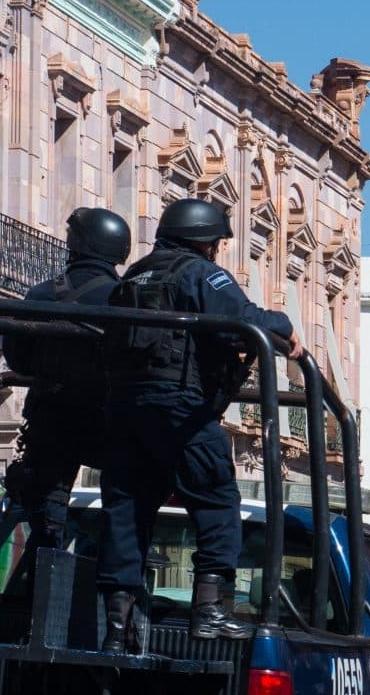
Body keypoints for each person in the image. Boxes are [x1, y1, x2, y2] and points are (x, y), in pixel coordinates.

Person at [98, 197, 304, 650]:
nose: (217, 251)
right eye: (216, 243)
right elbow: (241, 321)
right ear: (204, 241)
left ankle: (116, 624)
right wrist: (283, 325)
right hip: (179, 406)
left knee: (126, 511)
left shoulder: (133, 276)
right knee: (216, 500)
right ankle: (210, 610)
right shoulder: (198, 273)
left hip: (124, 409)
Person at [0, 207, 131, 560]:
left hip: (52, 416)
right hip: (109, 419)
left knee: (48, 509)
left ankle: (45, 576)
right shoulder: (127, 299)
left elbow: (17, 357)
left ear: (76, 245)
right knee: (124, 496)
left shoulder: (44, 294)